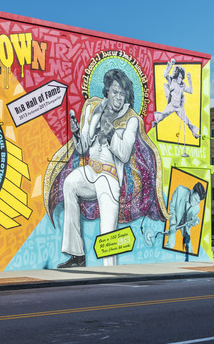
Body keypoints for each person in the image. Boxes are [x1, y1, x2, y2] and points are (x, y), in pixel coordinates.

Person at [49, 69, 166, 268]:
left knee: (108, 227)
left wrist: (111, 133)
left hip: (109, 176)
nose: (118, 97)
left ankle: (108, 266)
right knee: (69, 183)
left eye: (122, 93)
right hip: (90, 172)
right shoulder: (94, 109)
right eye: (115, 92)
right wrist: (77, 133)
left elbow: (124, 153)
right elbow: (83, 147)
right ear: (107, 91)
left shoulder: (131, 120)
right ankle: (77, 255)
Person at [152, 58, 200, 139]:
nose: (180, 79)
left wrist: (189, 79)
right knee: (163, 115)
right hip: (172, 104)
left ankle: (194, 133)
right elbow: (165, 75)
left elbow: (190, 91)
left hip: (178, 107)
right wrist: (171, 65)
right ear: (177, 75)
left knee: (187, 120)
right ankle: (155, 122)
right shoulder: (172, 80)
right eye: (179, 77)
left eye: (181, 77)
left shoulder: (182, 85)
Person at [165, 182, 206, 253]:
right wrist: (173, 224)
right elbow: (171, 207)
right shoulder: (180, 190)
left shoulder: (197, 208)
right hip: (174, 219)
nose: (195, 203)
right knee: (171, 245)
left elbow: (189, 222)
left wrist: (193, 222)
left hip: (184, 225)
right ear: (192, 191)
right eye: (195, 199)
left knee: (189, 246)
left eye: (198, 202)